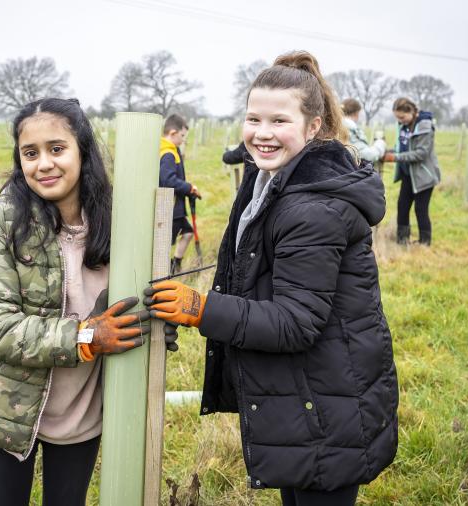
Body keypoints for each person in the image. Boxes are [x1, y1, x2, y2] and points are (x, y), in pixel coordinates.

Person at [144, 51, 398, 506]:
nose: (262, 133)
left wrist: (201, 310)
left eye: (279, 121)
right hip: (304, 393)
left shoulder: (311, 208)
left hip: (327, 400)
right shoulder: (272, 180)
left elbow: (295, 322)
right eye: (253, 118)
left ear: (313, 127)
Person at [0, 98, 164, 506]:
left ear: (82, 150)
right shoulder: (0, 221)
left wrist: (158, 319)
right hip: (7, 408)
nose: (43, 164)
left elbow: (139, 300)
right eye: (30, 153)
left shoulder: (124, 219)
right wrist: (85, 337)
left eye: (56, 149)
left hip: (82, 412)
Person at [382, 98, 441, 245]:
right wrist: (387, 152)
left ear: (411, 111)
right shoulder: (404, 126)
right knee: (402, 207)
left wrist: (394, 157)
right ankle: (402, 241)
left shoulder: (425, 126)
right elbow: (401, 147)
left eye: (402, 117)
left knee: (420, 210)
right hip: (408, 175)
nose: (400, 121)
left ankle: (424, 243)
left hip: (423, 176)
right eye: (397, 118)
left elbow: (421, 153)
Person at [159, 113, 201, 274]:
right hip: (170, 206)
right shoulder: (168, 153)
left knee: (188, 232)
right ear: (173, 133)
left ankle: (175, 264)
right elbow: (168, 180)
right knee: (164, 243)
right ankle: (164, 270)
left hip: (175, 207)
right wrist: (189, 187)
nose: (183, 139)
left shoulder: (171, 150)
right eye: (182, 135)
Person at [341, 98, 386, 163]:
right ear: (356, 113)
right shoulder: (350, 129)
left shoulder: (336, 127)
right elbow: (365, 156)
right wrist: (380, 144)